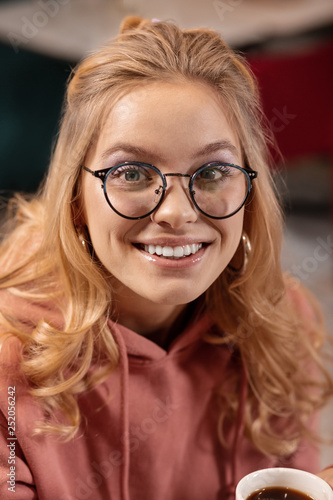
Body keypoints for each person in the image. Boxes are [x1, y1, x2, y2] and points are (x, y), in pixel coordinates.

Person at [0, 15, 332, 500]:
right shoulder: (9, 365)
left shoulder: (280, 319)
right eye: (132, 173)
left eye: (214, 171)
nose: (176, 214)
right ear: (75, 199)